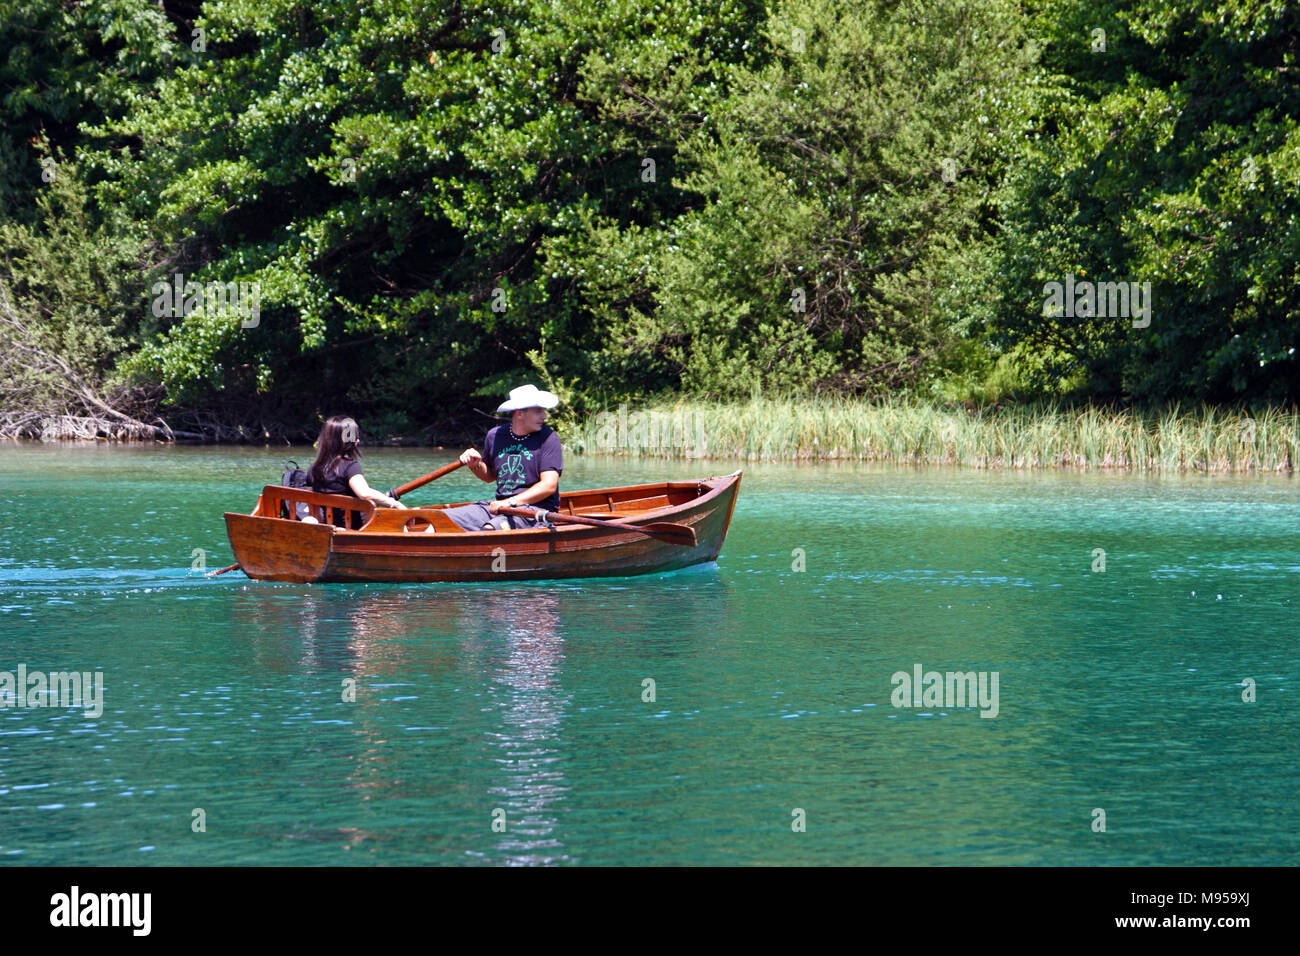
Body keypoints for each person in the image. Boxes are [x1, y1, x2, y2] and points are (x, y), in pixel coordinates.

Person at [444, 384, 563, 531]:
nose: (544, 416)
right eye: (538, 411)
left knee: (490, 529)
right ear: (519, 414)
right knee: (439, 520)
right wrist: (475, 464)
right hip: (499, 506)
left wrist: (511, 502)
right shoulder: (495, 435)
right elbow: (489, 476)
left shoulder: (549, 438)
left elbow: (549, 485)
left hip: (537, 511)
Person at [308, 416, 406, 527]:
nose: (358, 440)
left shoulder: (313, 469)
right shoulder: (350, 466)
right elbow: (364, 493)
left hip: (330, 528)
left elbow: (314, 508)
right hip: (358, 530)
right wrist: (395, 504)